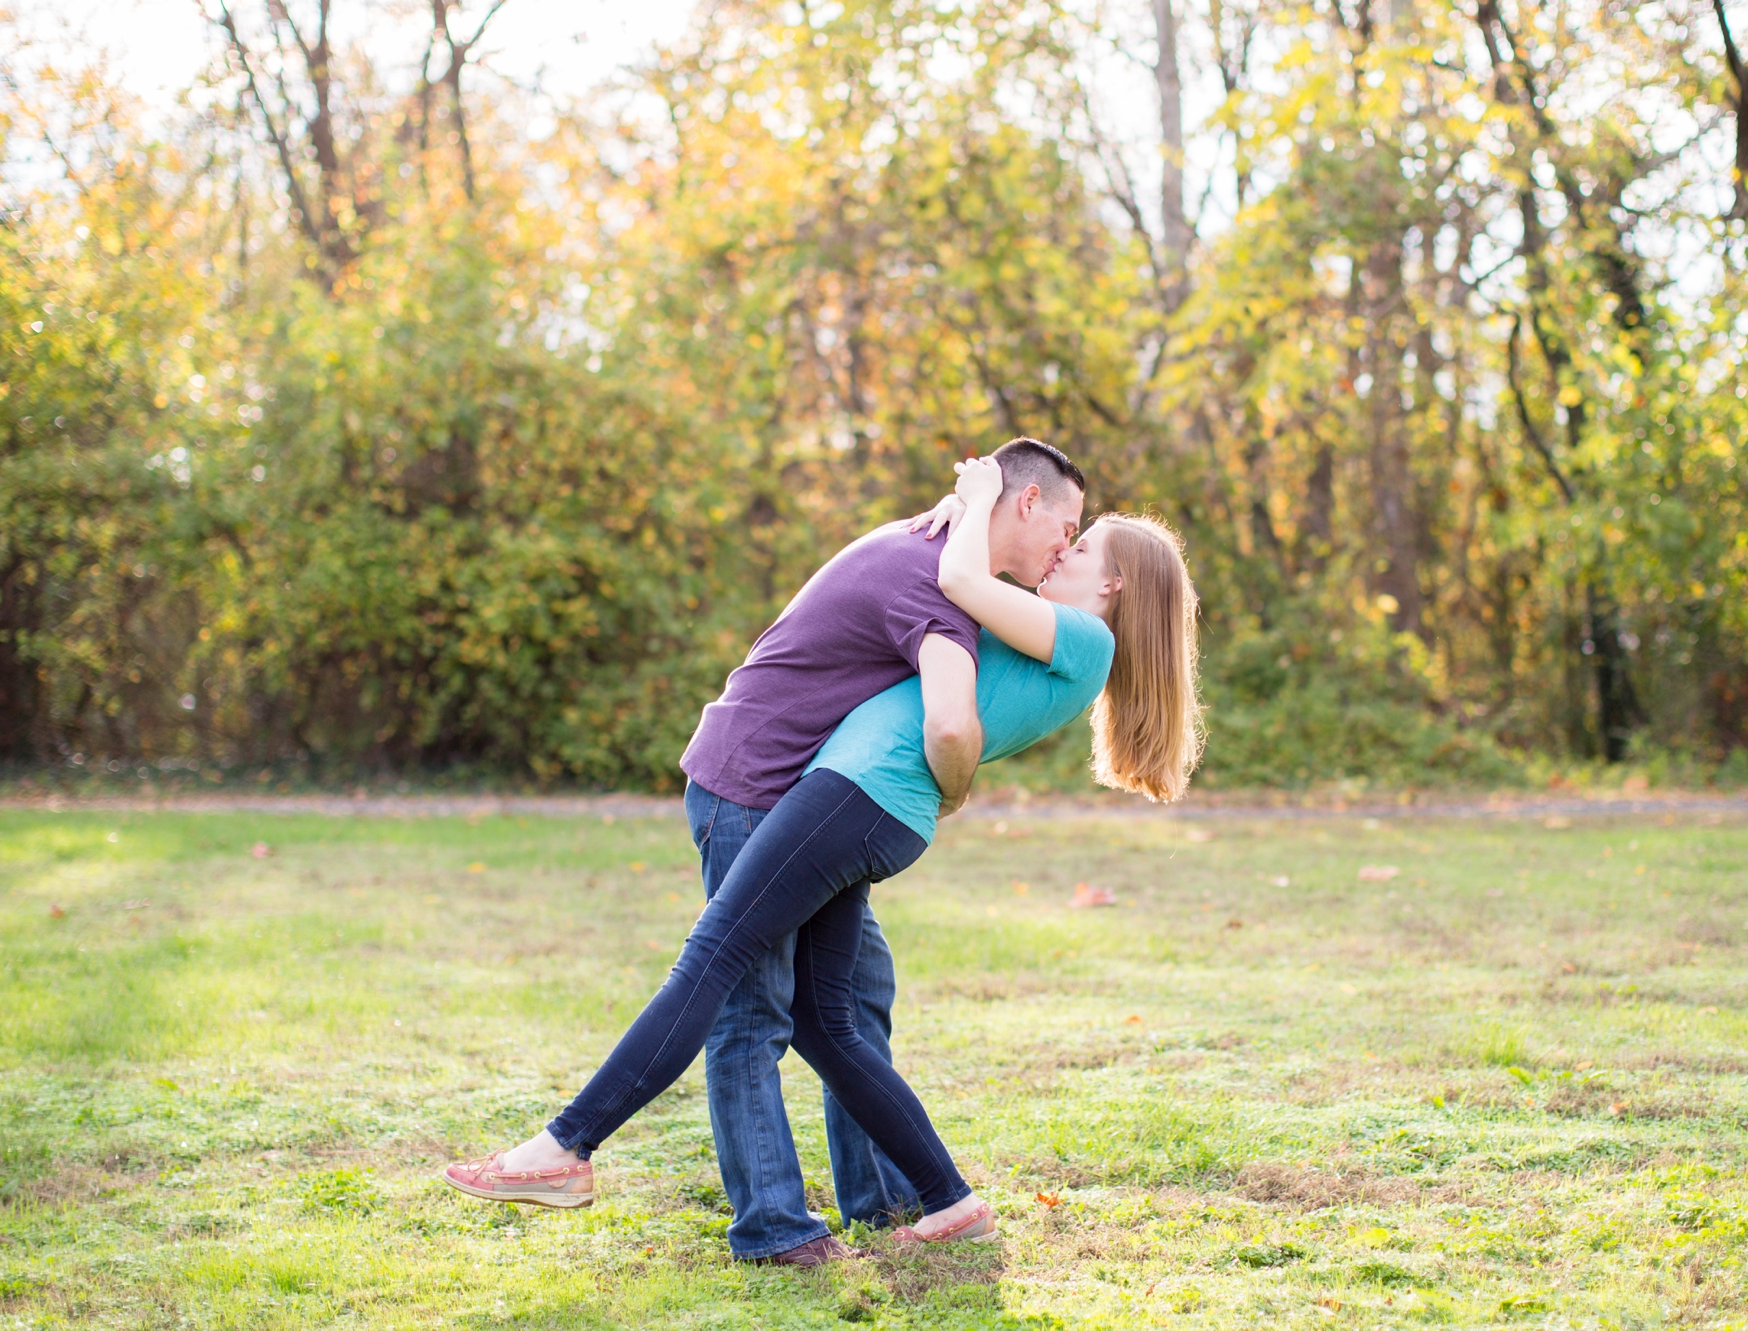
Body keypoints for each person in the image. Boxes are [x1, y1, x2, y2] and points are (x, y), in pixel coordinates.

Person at [442, 453, 1204, 1251]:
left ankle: (566, 1146)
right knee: (827, 1017)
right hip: (861, 802)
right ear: (1033, 502)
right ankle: (948, 1203)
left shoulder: (1079, 635)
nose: (1066, 549)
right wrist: (970, 514)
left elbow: (958, 631)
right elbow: (958, 594)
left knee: (716, 957)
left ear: (1112, 587)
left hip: (855, 796)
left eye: (1083, 548)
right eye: (1068, 532)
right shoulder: (1033, 618)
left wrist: (976, 498)